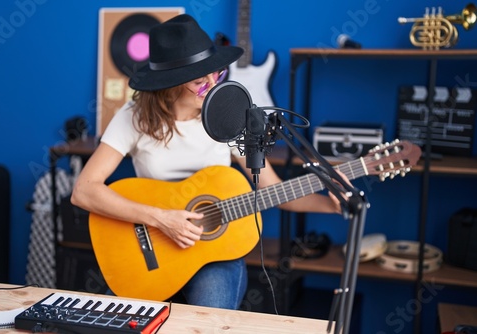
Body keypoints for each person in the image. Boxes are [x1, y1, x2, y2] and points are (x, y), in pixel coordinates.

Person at [71, 14, 348, 310]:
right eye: (201, 82)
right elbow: (84, 190)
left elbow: (274, 191)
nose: (213, 85)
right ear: (170, 84)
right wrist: (161, 219)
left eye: (217, 75)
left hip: (214, 255)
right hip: (152, 250)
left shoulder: (228, 116)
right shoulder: (134, 116)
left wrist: (328, 204)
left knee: (208, 319)